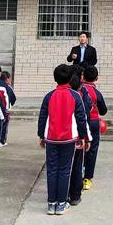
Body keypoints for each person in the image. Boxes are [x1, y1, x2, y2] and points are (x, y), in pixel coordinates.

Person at [38, 64, 88, 216]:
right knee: (64, 171)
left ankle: (51, 204)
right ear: (70, 78)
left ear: (55, 78)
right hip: (68, 139)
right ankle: (61, 204)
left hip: (52, 139)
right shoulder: (75, 95)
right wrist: (82, 137)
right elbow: (81, 118)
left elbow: (42, 118)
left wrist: (41, 135)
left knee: (52, 170)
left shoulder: (49, 96)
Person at [68, 70, 92, 206]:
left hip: (59, 136)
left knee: (61, 168)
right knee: (76, 166)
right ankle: (75, 196)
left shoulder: (53, 95)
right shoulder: (80, 95)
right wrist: (85, 137)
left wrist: (43, 135)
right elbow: (83, 118)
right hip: (75, 136)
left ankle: (59, 198)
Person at [82, 65, 107, 191]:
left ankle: (78, 173)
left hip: (80, 123)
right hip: (93, 123)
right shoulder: (96, 93)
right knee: (92, 150)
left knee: (79, 148)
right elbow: (103, 111)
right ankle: (87, 179)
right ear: (96, 78)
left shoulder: (78, 90)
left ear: (83, 76)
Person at [0, 71, 17, 148]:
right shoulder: (7, 87)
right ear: (7, 79)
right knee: (3, 126)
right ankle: (1, 141)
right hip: (4, 109)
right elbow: (13, 98)